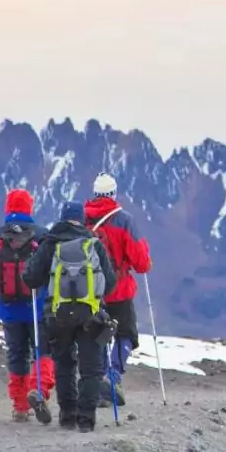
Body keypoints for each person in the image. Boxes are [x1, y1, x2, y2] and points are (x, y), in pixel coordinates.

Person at [24, 201, 117, 432]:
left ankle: (67, 416)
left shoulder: (50, 243)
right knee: (91, 368)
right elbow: (111, 282)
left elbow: (31, 278)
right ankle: (86, 419)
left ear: (63, 218)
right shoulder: (94, 244)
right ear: (82, 220)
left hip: (57, 316)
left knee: (64, 365)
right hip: (90, 316)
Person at [0, 189, 55, 423]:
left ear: (7, 208)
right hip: (37, 306)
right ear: (30, 208)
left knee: (17, 354)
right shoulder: (42, 237)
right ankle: (38, 390)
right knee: (44, 350)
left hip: (8, 308)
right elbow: (52, 270)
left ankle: (20, 406)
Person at [84, 173, 151, 407]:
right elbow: (141, 262)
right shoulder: (124, 221)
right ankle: (113, 377)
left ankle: (99, 381)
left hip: (91, 291)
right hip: (120, 290)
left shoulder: (83, 220)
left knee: (98, 335)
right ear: (113, 193)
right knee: (126, 334)